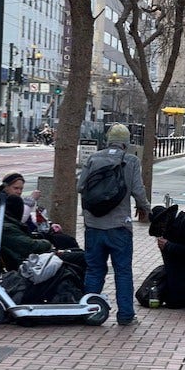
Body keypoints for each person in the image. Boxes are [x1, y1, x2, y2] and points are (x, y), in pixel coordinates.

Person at [77, 123, 150, 326]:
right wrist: (147, 209)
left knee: (94, 269)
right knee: (123, 271)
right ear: (126, 144)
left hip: (93, 225)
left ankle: (88, 311)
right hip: (119, 226)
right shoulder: (131, 160)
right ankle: (125, 315)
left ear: (107, 141)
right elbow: (138, 191)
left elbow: (80, 186)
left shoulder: (93, 158)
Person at [0, 172, 79, 249]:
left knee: (67, 240)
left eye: (21, 189)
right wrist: (31, 200)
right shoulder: (2, 202)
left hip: (31, 233)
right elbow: (21, 219)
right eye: (16, 188)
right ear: (6, 187)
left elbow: (29, 217)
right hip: (26, 238)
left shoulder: (13, 199)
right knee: (67, 242)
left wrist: (48, 224)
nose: (19, 192)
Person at [0, 195, 53, 271]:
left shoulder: (6, 222)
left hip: (25, 252)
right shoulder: (7, 227)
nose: (19, 191)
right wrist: (47, 243)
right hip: (24, 262)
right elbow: (29, 246)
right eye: (16, 188)